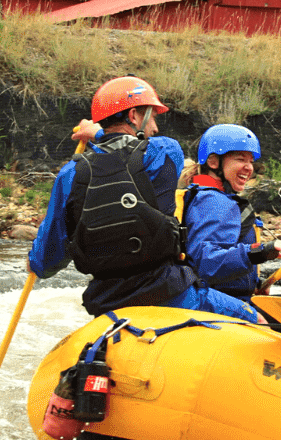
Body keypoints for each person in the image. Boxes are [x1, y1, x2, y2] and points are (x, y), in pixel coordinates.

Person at [27, 76, 257, 321]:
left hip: (106, 303)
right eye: (153, 117)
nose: (155, 128)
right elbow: (129, 152)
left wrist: (35, 263)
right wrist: (98, 133)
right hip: (169, 294)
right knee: (257, 319)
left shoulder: (68, 174)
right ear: (134, 116)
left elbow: (47, 259)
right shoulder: (167, 152)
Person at [179, 124, 281, 307]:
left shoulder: (208, 196)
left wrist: (254, 284)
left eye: (251, 161)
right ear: (213, 162)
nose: (249, 168)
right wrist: (262, 251)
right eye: (241, 159)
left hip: (226, 296)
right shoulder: (213, 201)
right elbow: (206, 263)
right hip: (213, 301)